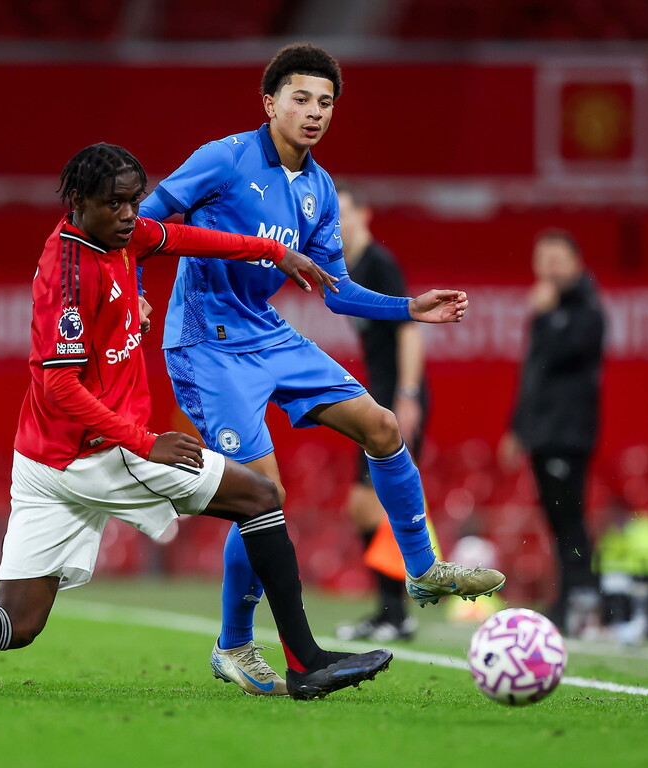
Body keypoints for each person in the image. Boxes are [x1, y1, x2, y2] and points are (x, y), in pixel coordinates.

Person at [0, 143, 393, 701]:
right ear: (78, 203)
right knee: (261, 496)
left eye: (134, 200)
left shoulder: (119, 237)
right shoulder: (68, 275)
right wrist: (145, 442)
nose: (130, 214)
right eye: (115, 204)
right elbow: (60, 386)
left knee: (17, 622)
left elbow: (187, 238)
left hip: (42, 459)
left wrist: (273, 252)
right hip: (99, 452)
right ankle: (304, 662)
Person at [139, 43, 505, 696]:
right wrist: (134, 291)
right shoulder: (224, 159)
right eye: (301, 98)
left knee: (383, 427)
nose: (314, 112)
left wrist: (407, 308)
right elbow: (143, 221)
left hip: (268, 334)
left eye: (326, 103)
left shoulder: (319, 188)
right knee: (263, 496)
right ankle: (235, 644)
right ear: (270, 103)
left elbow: (337, 292)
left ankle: (422, 571)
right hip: (206, 346)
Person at [332, 180, 427, 644]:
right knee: (362, 506)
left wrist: (407, 396)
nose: (337, 222)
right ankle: (391, 611)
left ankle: (396, 613)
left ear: (364, 215)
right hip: (378, 396)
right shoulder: (347, 270)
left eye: (344, 212)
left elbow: (409, 331)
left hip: (393, 399)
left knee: (375, 504)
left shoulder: (378, 264)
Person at [500, 228, 605, 637]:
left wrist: (546, 315)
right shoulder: (547, 312)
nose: (549, 269)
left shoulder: (588, 310)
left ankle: (581, 596)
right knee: (556, 519)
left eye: (557, 260)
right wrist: (516, 429)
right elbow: (532, 375)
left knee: (569, 518)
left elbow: (564, 356)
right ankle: (570, 597)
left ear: (577, 264)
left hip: (568, 433)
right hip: (542, 433)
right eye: (543, 260)